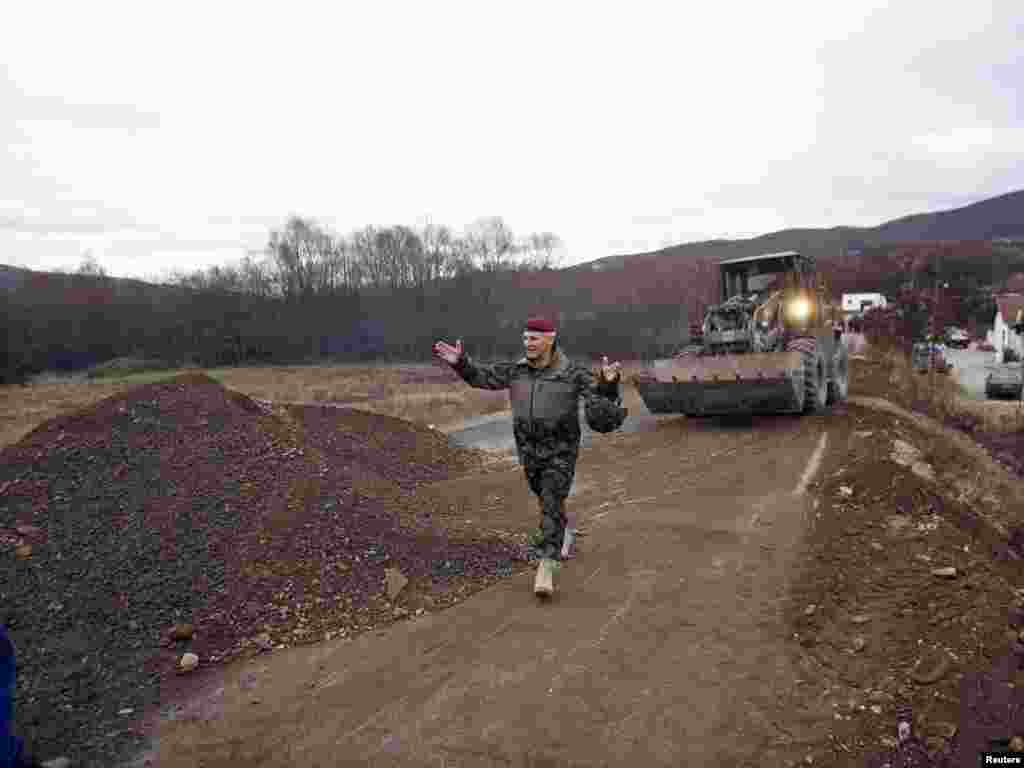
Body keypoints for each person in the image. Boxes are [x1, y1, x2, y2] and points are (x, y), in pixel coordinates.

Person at [433, 317, 626, 597]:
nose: (528, 343)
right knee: (546, 499)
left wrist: (609, 383)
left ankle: (547, 564)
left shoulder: (571, 373)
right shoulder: (516, 371)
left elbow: (600, 398)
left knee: (550, 498)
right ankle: (561, 531)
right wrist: (460, 363)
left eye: (534, 338)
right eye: (525, 338)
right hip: (529, 453)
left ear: (550, 339)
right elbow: (482, 377)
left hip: (560, 453)